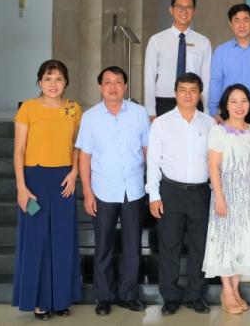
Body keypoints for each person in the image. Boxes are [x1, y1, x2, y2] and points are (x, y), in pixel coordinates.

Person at [76, 66, 150, 316]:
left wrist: (152, 187)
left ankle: (128, 294)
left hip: (134, 190)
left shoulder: (139, 113)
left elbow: (148, 151)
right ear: (100, 87)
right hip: (103, 190)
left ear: (125, 86)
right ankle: (104, 296)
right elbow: (84, 157)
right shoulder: (90, 117)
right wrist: (87, 192)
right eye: (107, 82)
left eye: (118, 82)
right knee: (103, 245)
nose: (113, 87)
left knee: (132, 245)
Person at [12, 60, 82, 320]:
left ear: (66, 82)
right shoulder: (28, 108)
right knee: (36, 241)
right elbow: (19, 150)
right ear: (39, 82)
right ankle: (39, 301)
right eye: (48, 79)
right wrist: (21, 187)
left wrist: (74, 172)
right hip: (34, 181)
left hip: (63, 181)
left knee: (63, 240)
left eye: (58, 78)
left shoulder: (74, 108)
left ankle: (61, 299)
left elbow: (77, 145)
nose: (53, 84)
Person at [146, 73, 216, 316]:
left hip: (200, 193)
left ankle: (196, 295)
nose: (188, 94)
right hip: (170, 192)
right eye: (183, 90)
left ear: (199, 94)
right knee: (170, 246)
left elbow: (214, 161)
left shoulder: (209, 123)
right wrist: (153, 195)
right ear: (175, 93)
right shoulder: (161, 123)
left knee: (199, 246)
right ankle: (170, 296)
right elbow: (153, 161)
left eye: (193, 90)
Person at [202, 84, 250, 314]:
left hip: (248, 194)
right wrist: (219, 196)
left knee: (242, 241)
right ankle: (226, 291)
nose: (239, 106)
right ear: (226, 105)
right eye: (234, 101)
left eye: (244, 101)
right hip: (226, 193)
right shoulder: (218, 131)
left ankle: (235, 289)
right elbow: (213, 167)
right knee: (226, 241)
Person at [144, 0, 211, 119]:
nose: (184, 11)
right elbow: (149, 76)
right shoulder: (156, 40)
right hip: (164, 100)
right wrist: (150, 110)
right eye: (180, 7)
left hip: (193, 100)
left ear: (194, 11)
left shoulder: (203, 42)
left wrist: (206, 108)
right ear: (171, 10)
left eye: (189, 7)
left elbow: (206, 78)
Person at [209, 3, 250, 125]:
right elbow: (216, 81)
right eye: (237, 21)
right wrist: (213, 110)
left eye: (246, 20)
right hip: (229, 107)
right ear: (230, 24)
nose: (241, 25)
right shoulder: (221, 51)